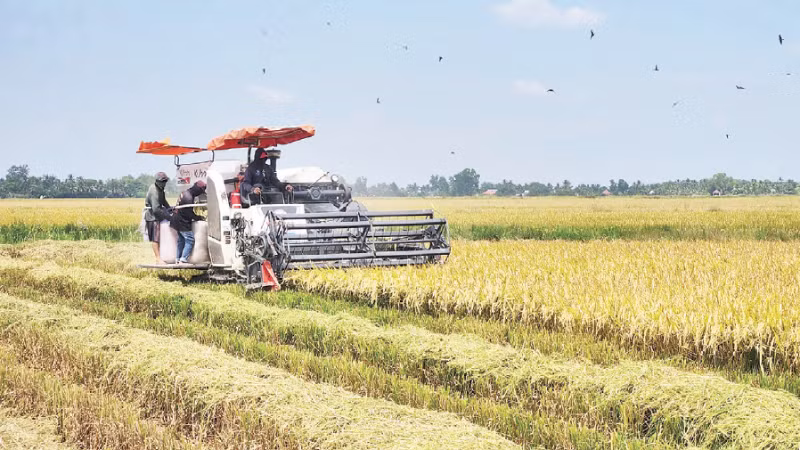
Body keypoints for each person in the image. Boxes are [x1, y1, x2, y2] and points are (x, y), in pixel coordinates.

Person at [171, 180, 207, 264]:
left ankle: (178, 258)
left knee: (181, 240)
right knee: (190, 239)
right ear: (197, 189)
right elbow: (188, 213)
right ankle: (183, 259)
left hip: (176, 219)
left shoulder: (185, 193)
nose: (201, 193)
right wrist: (198, 217)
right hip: (182, 221)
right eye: (201, 191)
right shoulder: (189, 197)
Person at [144, 172, 171, 264]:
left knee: (160, 237)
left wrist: (170, 209)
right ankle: (158, 258)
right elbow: (156, 209)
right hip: (152, 217)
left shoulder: (160, 189)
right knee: (156, 238)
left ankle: (162, 256)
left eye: (165, 181)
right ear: (157, 181)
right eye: (163, 181)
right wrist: (167, 216)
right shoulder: (154, 191)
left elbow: (163, 201)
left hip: (158, 215)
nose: (164, 183)